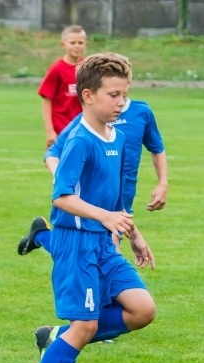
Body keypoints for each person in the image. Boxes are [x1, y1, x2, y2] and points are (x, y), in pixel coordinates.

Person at [11, 52, 156, 363]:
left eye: (125, 94)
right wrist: (103, 216)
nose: (121, 102)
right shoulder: (79, 140)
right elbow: (61, 196)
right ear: (88, 96)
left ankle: (58, 336)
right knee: (87, 326)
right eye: (113, 95)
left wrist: (134, 232)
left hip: (105, 243)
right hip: (78, 243)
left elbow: (115, 196)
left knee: (142, 310)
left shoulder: (117, 135)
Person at [18, 93, 169, 257]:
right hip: (92, 202)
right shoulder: (87, 122)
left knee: (91, 257)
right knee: (105, 257)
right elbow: (53, 152)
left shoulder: (141, 112)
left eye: (121, 90)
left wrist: (163, 182)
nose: (119, 98)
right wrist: (62, 179)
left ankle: (42, 235)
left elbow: (157, 147)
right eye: (112, 93)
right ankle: (43, 237)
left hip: (122, 199)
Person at [38, 25, 87, 148]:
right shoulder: (57, 69)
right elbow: (46, 100)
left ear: (85, 44)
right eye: (72, 42)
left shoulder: (88, 67)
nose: (77, 46)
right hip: (62, 128)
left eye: (80, 42)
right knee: (62, 165)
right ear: (63, 44)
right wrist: (50, 131)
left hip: (84, 127)